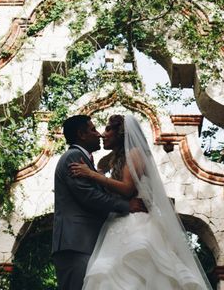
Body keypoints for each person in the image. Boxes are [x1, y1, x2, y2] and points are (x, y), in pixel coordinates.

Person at [69, 114, 213, 289]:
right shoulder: (114, 160)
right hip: (120, 222)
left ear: (120, 133)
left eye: (107, 129)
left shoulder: (135, 153)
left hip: (137, 222)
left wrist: (92, 175)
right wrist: (97, 173)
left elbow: (127, 188)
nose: (102, 134)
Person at [52, 114, 146, 290]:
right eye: (93, 130)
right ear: (82, 134)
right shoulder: (73, 158)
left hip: (85, 242)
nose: (100, 134)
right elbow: (89, 196)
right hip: (76, 243)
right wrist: (127, 206)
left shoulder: (86, 161)